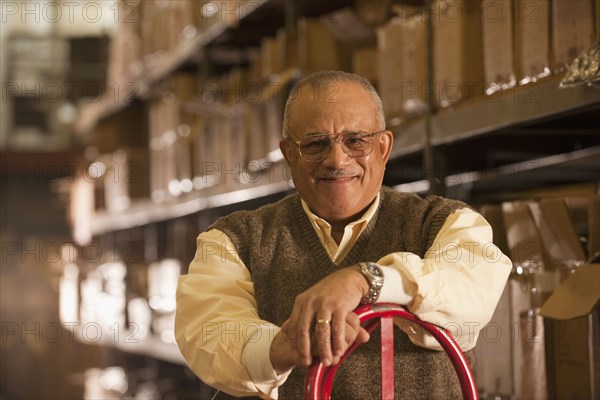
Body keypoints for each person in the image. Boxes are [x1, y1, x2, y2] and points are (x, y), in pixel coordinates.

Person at [175, 70, 512, 399]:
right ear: (289, 155)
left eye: (355, 141)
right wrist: (285, 346)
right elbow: (209, 334)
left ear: (383, 147)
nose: (336, 159)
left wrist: (367, 280)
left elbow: (472, 296)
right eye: (316, 144)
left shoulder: (444, 222)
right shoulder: (233, 239)